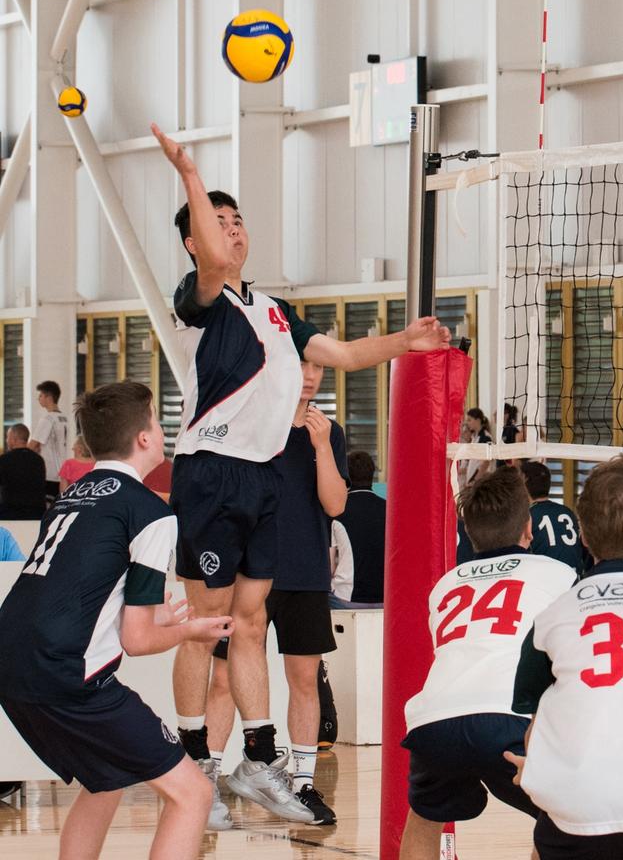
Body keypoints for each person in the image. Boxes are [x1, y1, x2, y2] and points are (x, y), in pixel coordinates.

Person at [151, 123, 451, 823]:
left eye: (239, 220)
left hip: (261, 480)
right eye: (218, 223)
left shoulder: (279, 312)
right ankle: (195, 762)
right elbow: (210, 259)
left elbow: (343, 355)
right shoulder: (200, 301)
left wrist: (406, 342)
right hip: (211, 472)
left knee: (249, 624)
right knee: (209, 623)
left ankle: (258, 759)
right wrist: (189, 175)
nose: (233, 230)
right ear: (196, 241)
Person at [0, 381, 235, 860]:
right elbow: (139, 640)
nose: (161, 427)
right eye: (156, 419)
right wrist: (190, 630)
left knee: (105, 779)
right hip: (65, 675)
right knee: (192, 793)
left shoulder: (72, 496)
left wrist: (157, 613)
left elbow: (78, 593)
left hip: (12, 664)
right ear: (146, 437)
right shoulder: (151, 512)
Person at [399, 466, 575, 860]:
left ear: (468, 531)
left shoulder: (446, 584)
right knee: (564, 817)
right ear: (527, 528)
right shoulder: (558, 574)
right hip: (505, 715)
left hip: (434, 720)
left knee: (424, 816)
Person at [205, 359, 348, 825]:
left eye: (318, 368)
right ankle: (206, 781)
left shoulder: (329, 431)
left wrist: (322, 445)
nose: (309, 375)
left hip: (304, 572)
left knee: (304, 679)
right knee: (225, 678)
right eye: (301, 364)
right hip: (249, 574)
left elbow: (336, 504)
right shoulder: (250, 423)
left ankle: (303, 784)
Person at [506, 456, 623, 860]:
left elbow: (532, 713)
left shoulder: (556, 614)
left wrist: (533, 770)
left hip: (580, 796)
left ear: (582, 536)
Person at [330, 450, 386, 608]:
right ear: (372, 475)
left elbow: (329, 566)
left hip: (347, 597)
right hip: (385, 597)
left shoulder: (337, 510)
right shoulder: (390, 509)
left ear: (345, 475)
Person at [521, 461, 583, 575]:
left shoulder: (527, 517)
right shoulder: (567, 512)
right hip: (573, 578)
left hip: (548, 582)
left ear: (524, 485)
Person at [27, 380, 68, 502]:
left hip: (49, 472)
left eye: (40, 395)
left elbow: (32, 445)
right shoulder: (64, 418)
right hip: (62, 471)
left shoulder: (48, 418)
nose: (38, 399)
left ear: (49, 397)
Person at [0, 423, 46, 519]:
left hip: (10, 512)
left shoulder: (4, 460)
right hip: (36, 512)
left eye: (7, 437)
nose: (7, 440)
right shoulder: (38, 460)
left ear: (13, 439)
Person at [464, 407, 493, 485]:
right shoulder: (474, 437)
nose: (467, 423)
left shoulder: (486, 437)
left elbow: (486, 462)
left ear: (478, 420)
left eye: (469, 420)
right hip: (472, 481)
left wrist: (475, 480)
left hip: (479, 482)